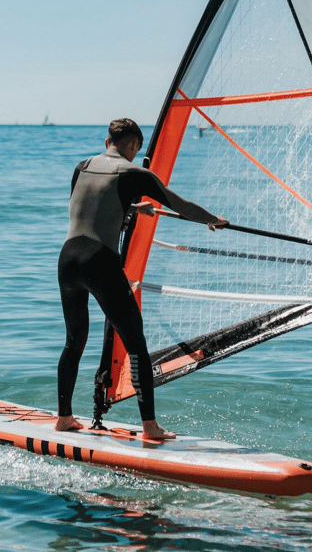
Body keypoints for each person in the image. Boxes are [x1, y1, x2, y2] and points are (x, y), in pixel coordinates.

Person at [56, 118, 228, 439]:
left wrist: (133, 209)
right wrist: (212, 219)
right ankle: (150, 426)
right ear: (134, 145)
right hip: (100, 262)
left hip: (68, 259)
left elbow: (92, 206)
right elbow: (179, 204)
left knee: (74, 341)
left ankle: (64, 417)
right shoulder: (136, 173)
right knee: (136, 343)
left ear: (108, 140)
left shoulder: (81, 167)